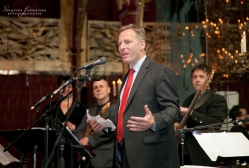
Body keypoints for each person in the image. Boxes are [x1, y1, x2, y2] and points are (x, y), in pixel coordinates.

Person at [87, 24, 180, 168]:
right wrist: (106, 124)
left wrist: (153, 120)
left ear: (142, 44)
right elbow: (125, 113)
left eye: (127, 42)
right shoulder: (126, 77)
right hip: (123, 153)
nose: (122, 47)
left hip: (150, 156)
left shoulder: (159, 72)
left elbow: (173, 110)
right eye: (119, 44)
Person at [175, 64, 228, 166]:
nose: (197, 80)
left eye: (201, 77)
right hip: (184, 150)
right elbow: (182, 123)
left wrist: (190, 113)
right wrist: (176, 125)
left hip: (203, 152)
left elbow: (215, 124)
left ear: (209, 79)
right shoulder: (189, 99)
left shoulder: (217, 99)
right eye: (194, 77)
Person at [40, 75, 86, 167]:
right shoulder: (50, 108)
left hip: (73, 152)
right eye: (62, 86)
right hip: (52, 151)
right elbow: (42, 129)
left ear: (74, 88)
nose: (65, 89)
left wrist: (74, 127)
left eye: (69, 86)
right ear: (58, 88)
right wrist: (54, 128)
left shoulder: (81, 108)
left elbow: (88, 131)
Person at [74, 77, 117, 168]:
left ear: (109, 90)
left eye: (101, 86)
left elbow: (112, 130)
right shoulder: (90, 111)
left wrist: (89, 139)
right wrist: (82, 141)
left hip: (105, 159)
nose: (98, 89)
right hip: (87, 158)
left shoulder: (115, 108)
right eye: (95, 87)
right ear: (93, 93)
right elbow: (79, 130)